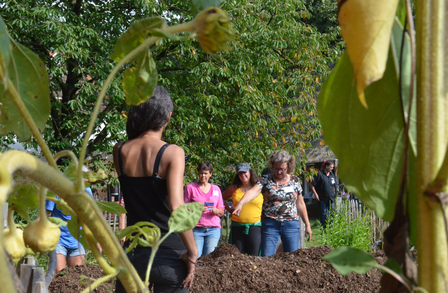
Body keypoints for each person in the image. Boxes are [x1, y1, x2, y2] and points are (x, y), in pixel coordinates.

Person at [113, 86, 197, 293]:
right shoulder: (173, 153)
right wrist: (193, 253)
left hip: (133, 253)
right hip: (169, 253)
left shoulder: (119, 150)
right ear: (168, 117)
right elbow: (177, 207)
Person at [233, 150, 312, 257]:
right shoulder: (265, 180)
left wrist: (307, 224)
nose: (279, 172)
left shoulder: (295, 181)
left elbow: (300, 203)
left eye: (282, 169)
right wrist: (240, 203)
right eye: (276, 168)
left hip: (290, 224)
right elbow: (252, 192)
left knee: (293, 258)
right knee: (267, 258)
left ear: (288, 167)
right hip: (271, 224)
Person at [44, 187, 100, 272]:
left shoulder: (86, 190)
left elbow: (91, 217)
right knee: (59, 275)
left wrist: (97, 240)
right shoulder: (55, 189)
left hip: (77, 240)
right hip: (58, 240)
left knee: (75, 277)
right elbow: (44, 214)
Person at [184, 162, 225, 258]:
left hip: (213, 229)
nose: (203, 176)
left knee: (209, 258)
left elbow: (221, 209)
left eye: (206, 173)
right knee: (195, 256)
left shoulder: (216, 189)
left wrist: (217, 211)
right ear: (198, 173)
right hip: (196, 229)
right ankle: (193, 273)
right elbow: (185, 208)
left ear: (210, 174)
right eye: (201, 173)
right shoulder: (190, 188)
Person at [222, 163, 263, 256]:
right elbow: (222, 197)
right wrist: (229, 209)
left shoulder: (259, 187)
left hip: (255, 226)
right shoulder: (234, 188)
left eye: (245, 172)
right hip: (237, 226)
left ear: (250, 172)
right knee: (236, 257)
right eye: (240, 173)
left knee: (255, 256)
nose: (242, 175)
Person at [310, 160, 337, 229]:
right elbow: (311, 185)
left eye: (333, 167)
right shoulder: (319, 174)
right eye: (331, 167)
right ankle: (324, 229)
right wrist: (316, 194)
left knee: (332, 214)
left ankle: (331, 229)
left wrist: (333, 193)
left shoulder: (332, 175)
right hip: (322, 198)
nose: (332, 169)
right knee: (324, 214)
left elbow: (334, 185)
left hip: (331, 198)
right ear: (326, 166)